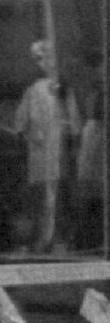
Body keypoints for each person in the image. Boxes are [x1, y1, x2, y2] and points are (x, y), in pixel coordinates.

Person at [5, 38, 78, 254]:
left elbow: (74, 125)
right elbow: (20, 124)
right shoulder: (32, 90)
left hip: (59, 155)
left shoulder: (64, 89)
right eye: (40, 58)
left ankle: (59, 240)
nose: (45, 62)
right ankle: (39, 239)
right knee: (39, 198)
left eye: (48, 57)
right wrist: (30, 135)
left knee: (59, 197)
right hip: (39, 158)